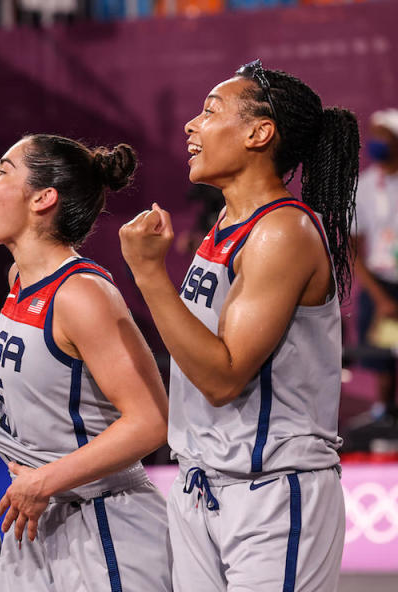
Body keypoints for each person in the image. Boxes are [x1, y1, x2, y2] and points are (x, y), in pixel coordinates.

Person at [119, 59, 359, 591]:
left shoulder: (282, 232)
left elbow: (224, 377)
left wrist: (148, 274)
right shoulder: (227, 224)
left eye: (210, 111)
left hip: (271, 494)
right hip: (203, 486)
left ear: (258, 132)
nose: (191, 125)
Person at [0, 135, 172, 592]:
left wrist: (44, 481)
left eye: (2, 170)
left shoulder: (81, 294)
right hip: (38, 518)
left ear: (43, 198)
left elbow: (151, 421)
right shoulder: (21, 280)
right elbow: (62, 386)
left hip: (105, 525)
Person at [352, 108, 398, 421]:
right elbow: (353, 248)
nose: (376, 142)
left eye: (384, 136)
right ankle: (384, 415)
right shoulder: (364, 187)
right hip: (381, 285)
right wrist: (381, 298)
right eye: (374, 135)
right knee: (384, 358)